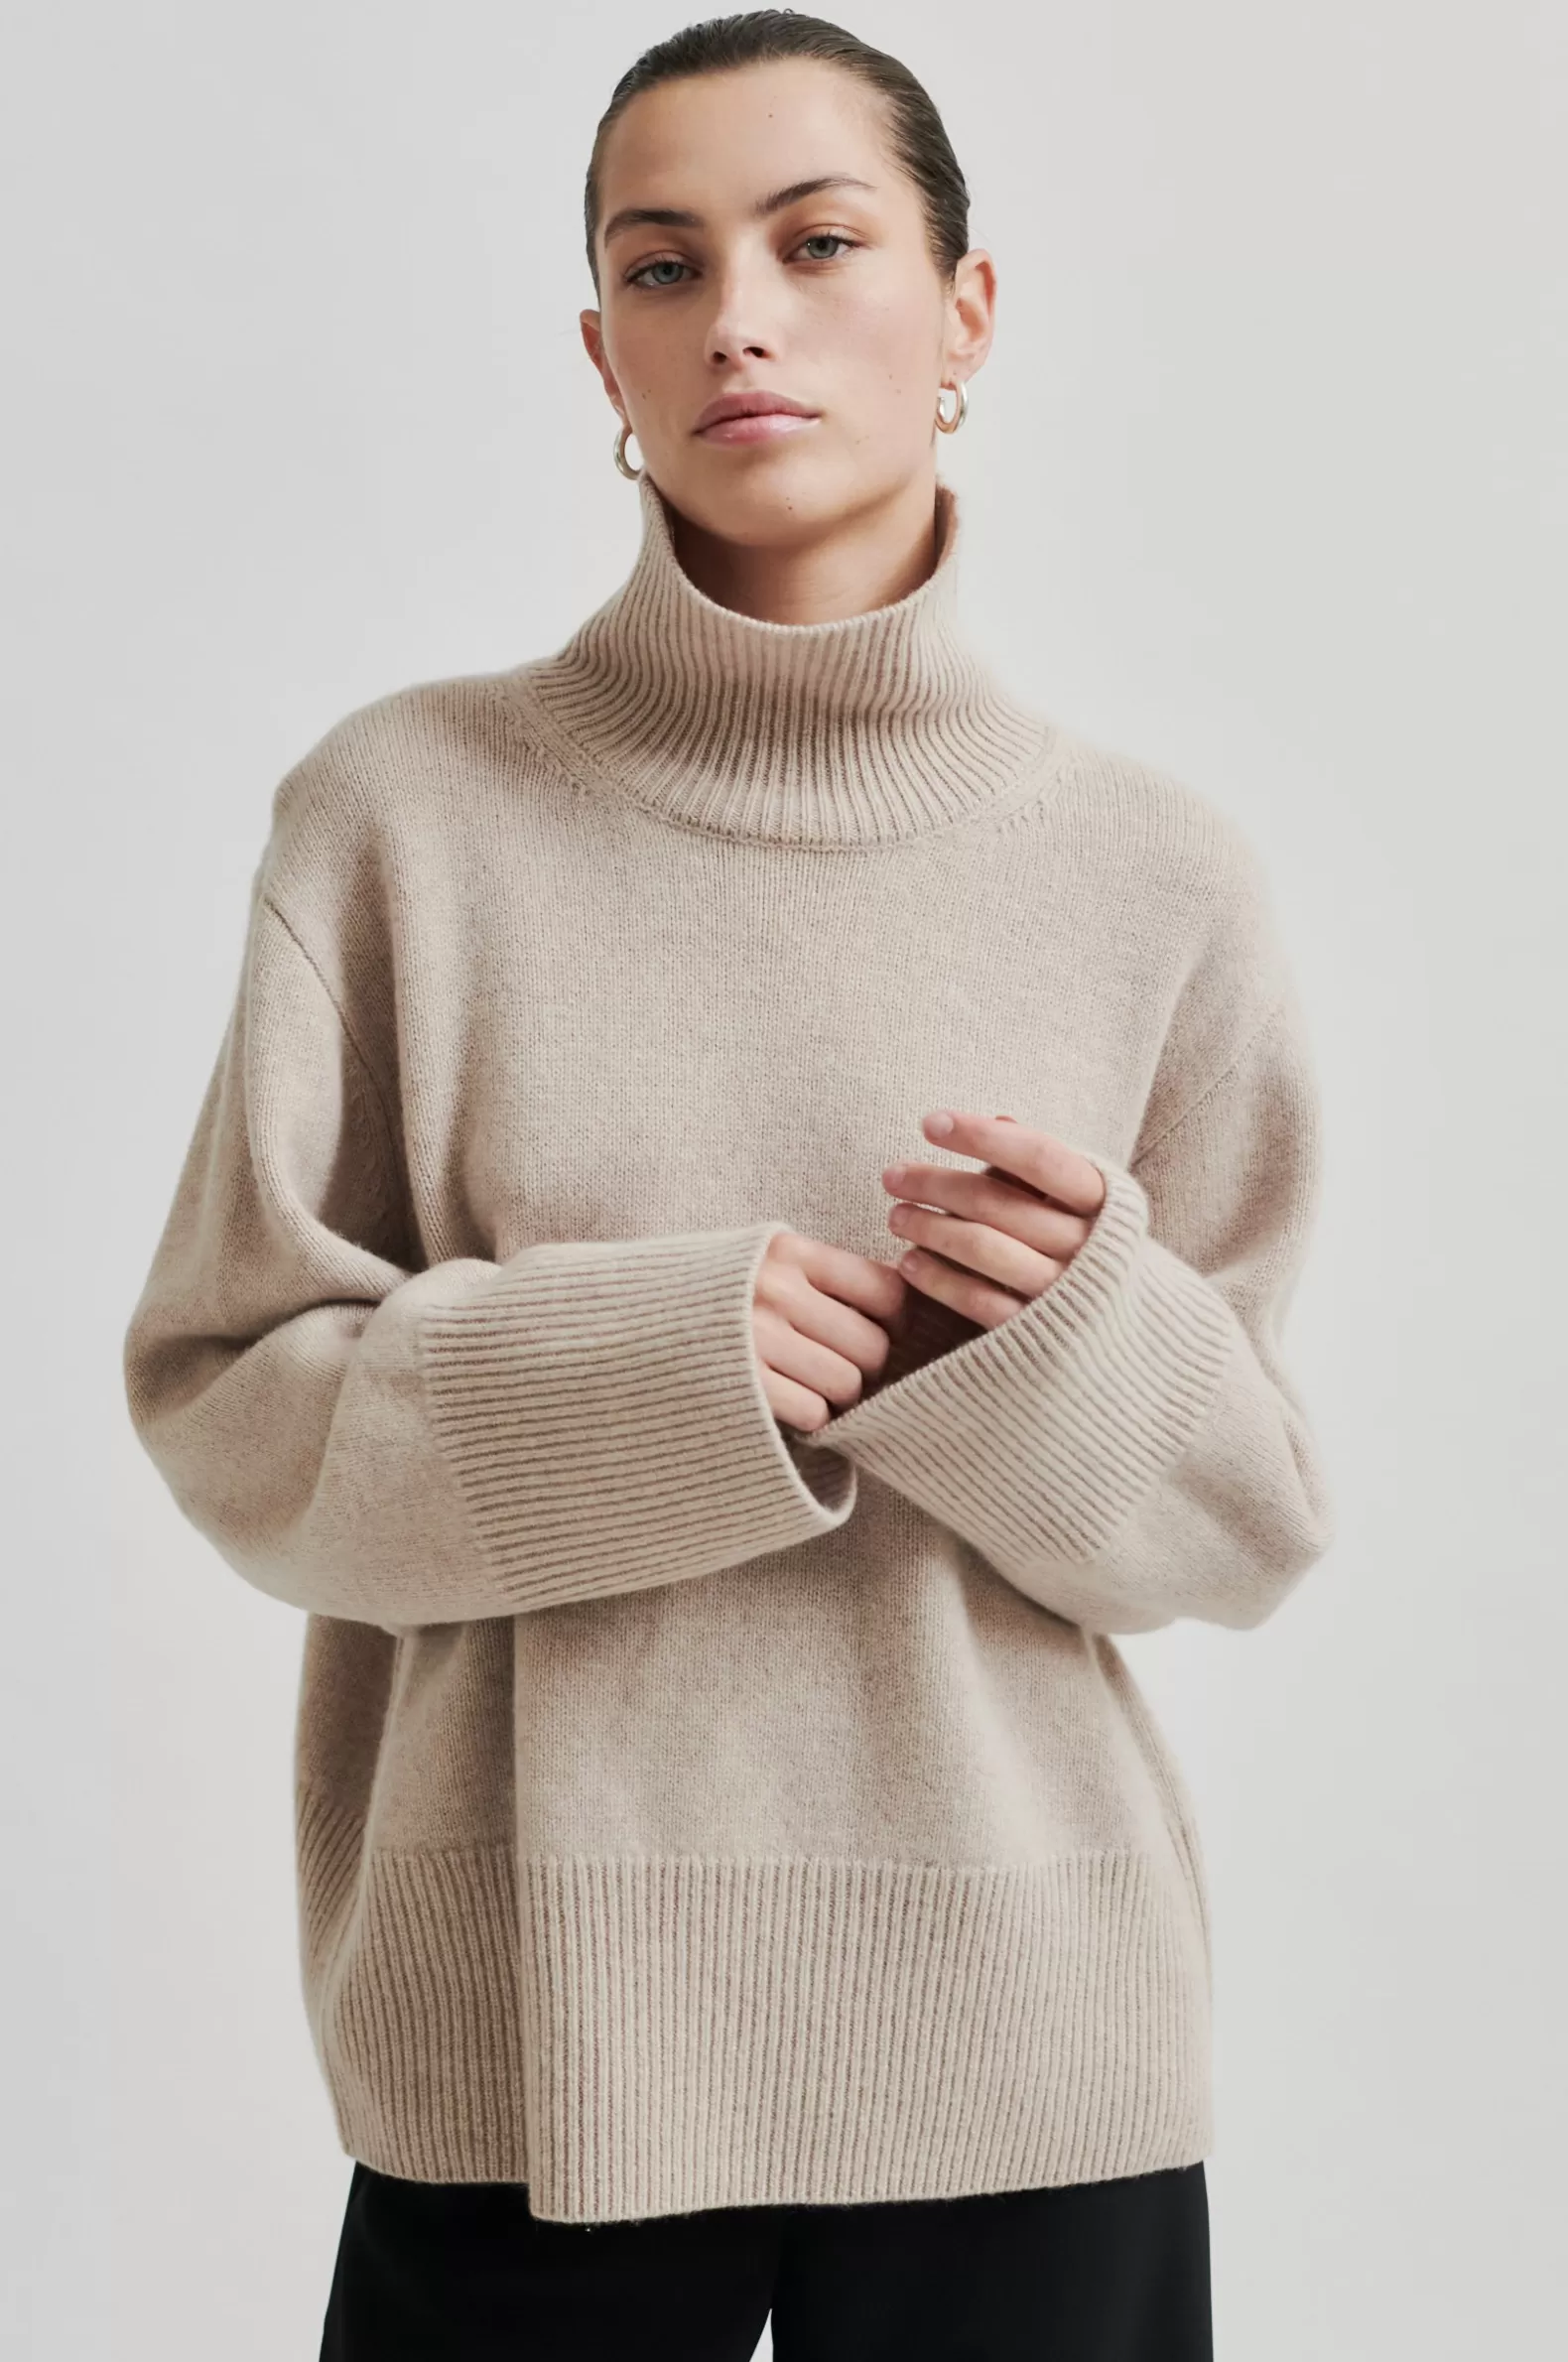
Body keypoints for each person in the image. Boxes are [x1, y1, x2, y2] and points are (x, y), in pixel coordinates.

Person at [121, 11, 1335, 2359]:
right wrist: (641, 1370)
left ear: (965, 309)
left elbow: (1250, 1525)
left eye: (819, 242)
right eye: (662, 265)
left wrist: (1064, 1347)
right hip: (527, 2040)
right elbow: (224, 1409)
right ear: (603, 351)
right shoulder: (400, 820)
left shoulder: (1157, 878)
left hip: (1031, 2042)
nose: (738, 319)